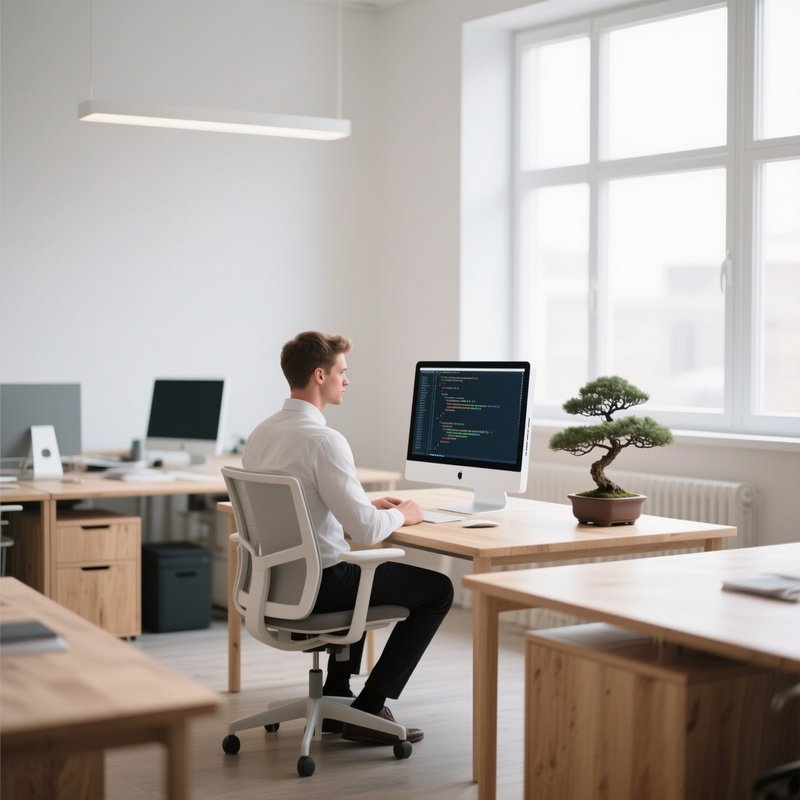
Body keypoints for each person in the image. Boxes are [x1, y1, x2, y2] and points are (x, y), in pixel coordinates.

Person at [242, 331, 453, 745]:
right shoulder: (324, 440)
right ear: (320, 375)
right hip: (320, 586)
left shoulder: (262, 433)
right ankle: (369, 709)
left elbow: (301, 503)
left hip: (272, 584)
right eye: (343, 371)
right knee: (438, 590)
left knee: (355, 570)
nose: (347, 380)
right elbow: (366, 532)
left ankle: (338, 694)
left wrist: (359, 502)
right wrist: (400, 514)